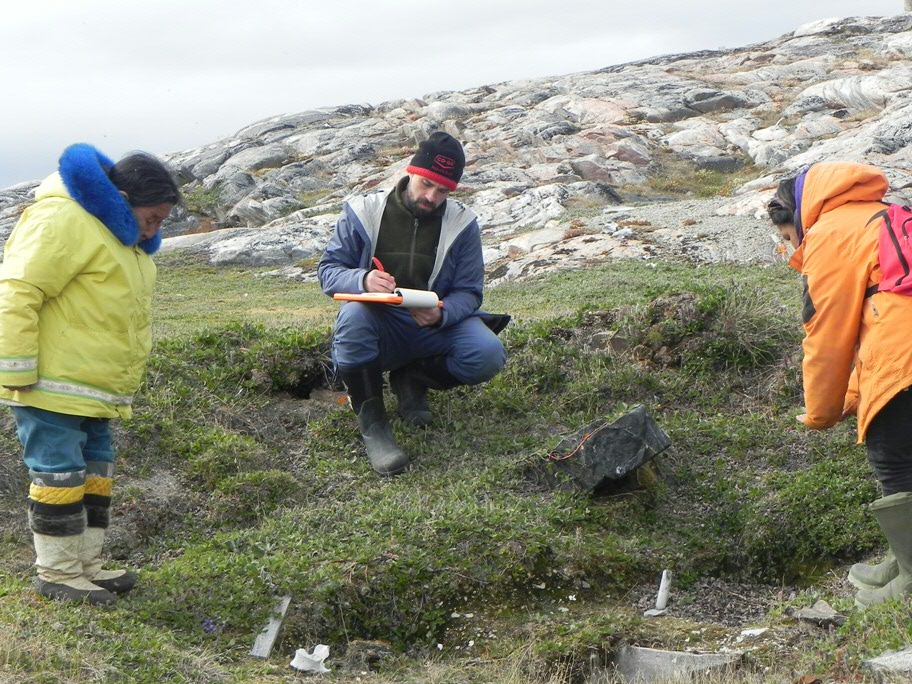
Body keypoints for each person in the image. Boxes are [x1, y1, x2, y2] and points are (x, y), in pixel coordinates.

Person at [0, 143, 180, 604]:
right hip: (51, 385)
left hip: (96, 388)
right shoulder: (62, 218)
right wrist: (14, 368)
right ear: (121, 198)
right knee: (59, 475)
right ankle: (58, 573)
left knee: (94, 476)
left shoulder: (118, 236)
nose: (154, 229)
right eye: (153, 218)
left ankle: (86, 567)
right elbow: (18, 291)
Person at [318, 132, 508, 477]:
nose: (432, 197)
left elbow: (470, 291)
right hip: (378, 321)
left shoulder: (463, 224)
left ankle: (412, 378)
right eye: (426, 184)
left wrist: (443, 312)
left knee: (488, 354)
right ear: (409, 172)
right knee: (353, 317)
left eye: (444, 191)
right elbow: (329, 271)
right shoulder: (363, 210)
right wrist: (361, 280)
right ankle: (375, 429)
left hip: (433, 324)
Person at [767, 160, 912, 608]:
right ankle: (900, 557)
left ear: (799, 215)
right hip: (901, 346)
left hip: (906, 356)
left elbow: (827, 336)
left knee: (894, 460)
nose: (791, 247)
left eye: (788, 238)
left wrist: (821, 412)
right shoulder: (882, 213)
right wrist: (853, 395)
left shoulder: (828, 234)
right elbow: (877, 317)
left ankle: (909, 582)